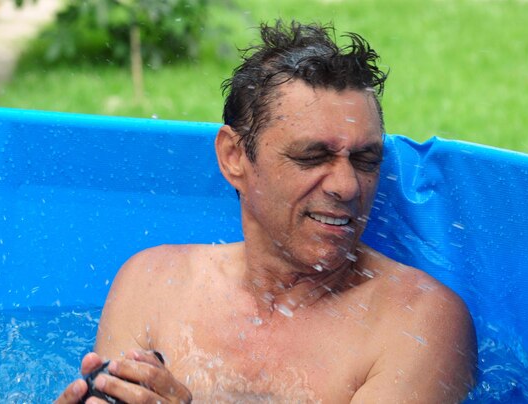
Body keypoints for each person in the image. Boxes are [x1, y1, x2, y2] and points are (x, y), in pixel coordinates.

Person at [57, 20, 476, 403]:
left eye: (365, 159)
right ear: (234, 157)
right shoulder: (153, 285)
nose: (347, 186)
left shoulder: (417, 323)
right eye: (313, 156)